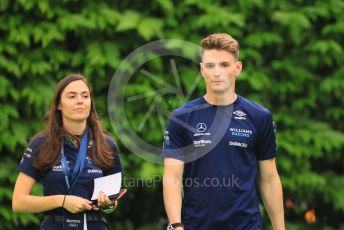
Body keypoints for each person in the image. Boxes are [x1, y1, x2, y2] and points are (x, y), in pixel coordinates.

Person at [162, 33, 285, 230]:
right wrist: (176, 225)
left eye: (224, 65)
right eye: (210, 66)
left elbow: (269, 179)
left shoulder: (259, 116)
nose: (217, 72)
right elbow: (172, 178)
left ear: (238, 68)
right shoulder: (182, 118)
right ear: (202, 70)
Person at [12, 74, 125, 230]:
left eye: (85, 96)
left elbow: (112, 203)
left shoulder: (107, 144)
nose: (80, 100)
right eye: (72, 96)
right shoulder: (41, 143)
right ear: (59, 104)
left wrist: (108, 204)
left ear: (90, 103)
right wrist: (62, 200)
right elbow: (18, 202)